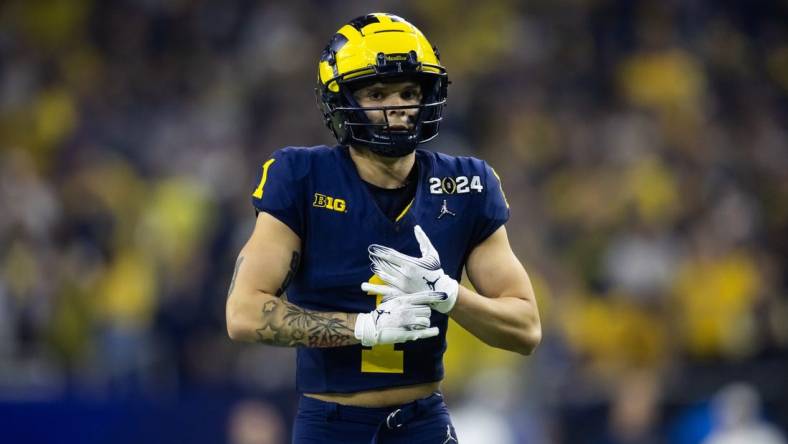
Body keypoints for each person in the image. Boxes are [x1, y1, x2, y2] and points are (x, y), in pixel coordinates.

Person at [225, 12, 541, 443]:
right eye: (376, 93)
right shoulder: (300, 176)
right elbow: (242, 313)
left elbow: (526, 327)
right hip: (331, 423)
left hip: (424, 421)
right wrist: (362, 328)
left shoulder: (466, 183)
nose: (397, 110)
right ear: (342, 101)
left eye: (409, 93)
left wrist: (447, 294)